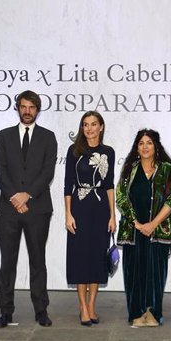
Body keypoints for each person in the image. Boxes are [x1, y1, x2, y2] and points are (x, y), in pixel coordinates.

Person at [0, 90, 58, 328]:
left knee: (37, 260)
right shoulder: (3, 136)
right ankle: (5, 312)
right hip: (9, 209)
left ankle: (41, 310)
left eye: (31, 107)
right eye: (23, 106)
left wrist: (26, 195)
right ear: (17, 108)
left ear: (37, 110)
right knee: (7, 262)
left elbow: (47, 172)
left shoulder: (48, 137)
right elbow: (0, 170)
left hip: (38, 208)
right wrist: (14, 197)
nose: (27, 111)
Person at [116, 129, 171, 327]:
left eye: (149, 143)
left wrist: (152, 224)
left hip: (158, 232)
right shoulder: (129, 170)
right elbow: (121, 197)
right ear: (137, 147)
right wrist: (137, 223)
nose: (145, 146)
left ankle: (153, 313)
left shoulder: (167, 169)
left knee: (155, 274)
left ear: (156, 146)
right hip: (134, 232)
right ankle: (136, 313)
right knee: (134, 274)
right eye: (141, 143)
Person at [64, 111, 116, 326]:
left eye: (94, 124)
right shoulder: (74, 151)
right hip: (79, 208)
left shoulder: (108, 152)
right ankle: (83, 308)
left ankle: (92, 305)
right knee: (80, 258)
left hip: (101, 209)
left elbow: (110, 185)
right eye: (85, 124)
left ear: (101, 127)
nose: (89, 128)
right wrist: (68, 213)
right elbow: (68, 184)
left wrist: (113, 215)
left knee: (96, 259)